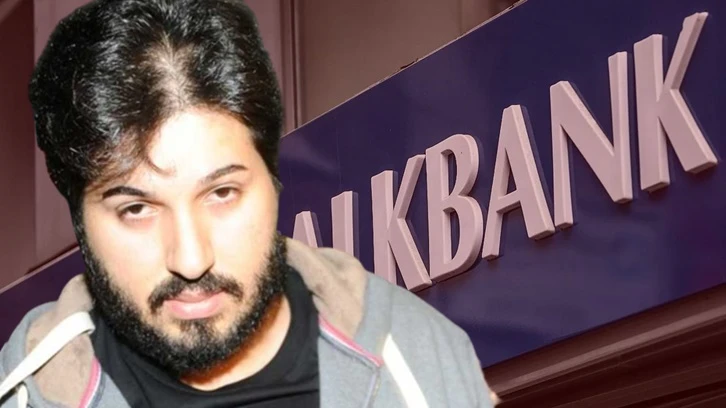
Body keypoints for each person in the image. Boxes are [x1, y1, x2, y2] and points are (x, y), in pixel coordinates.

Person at [0, 0, 497, 407]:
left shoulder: (427, 361)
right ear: (80, 221)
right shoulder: (21, 393)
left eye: (222, 193)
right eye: (137, 209)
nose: (191, 260)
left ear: (274, 183)